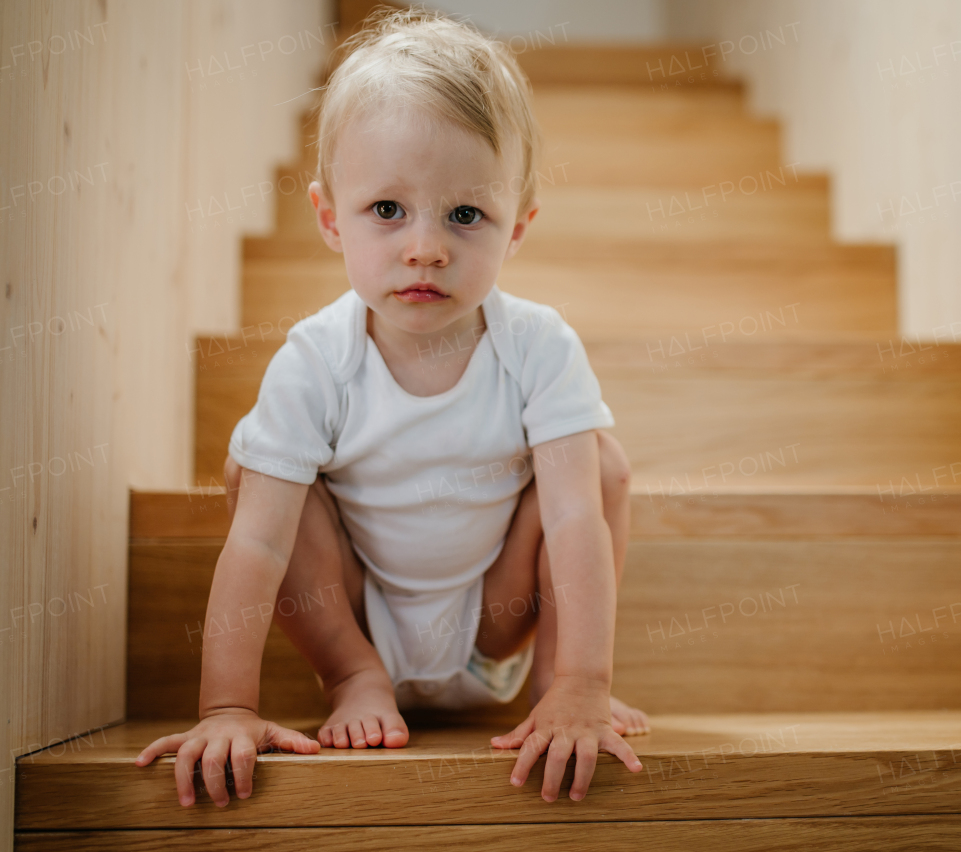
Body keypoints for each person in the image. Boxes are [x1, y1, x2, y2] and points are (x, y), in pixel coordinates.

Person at [135, 8, 649, 808]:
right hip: (357, 624)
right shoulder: (315, 358)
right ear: (330, 218)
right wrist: (227, 709)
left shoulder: (538, 345)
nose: (425, 248)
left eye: (466, 215)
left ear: (518, 229)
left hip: (491, 628)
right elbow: (261, 547)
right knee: (254, 471)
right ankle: (356, 680)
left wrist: (585, 682)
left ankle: (558, 686)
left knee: (600, 467)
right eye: (387, 211)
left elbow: (577, 520)